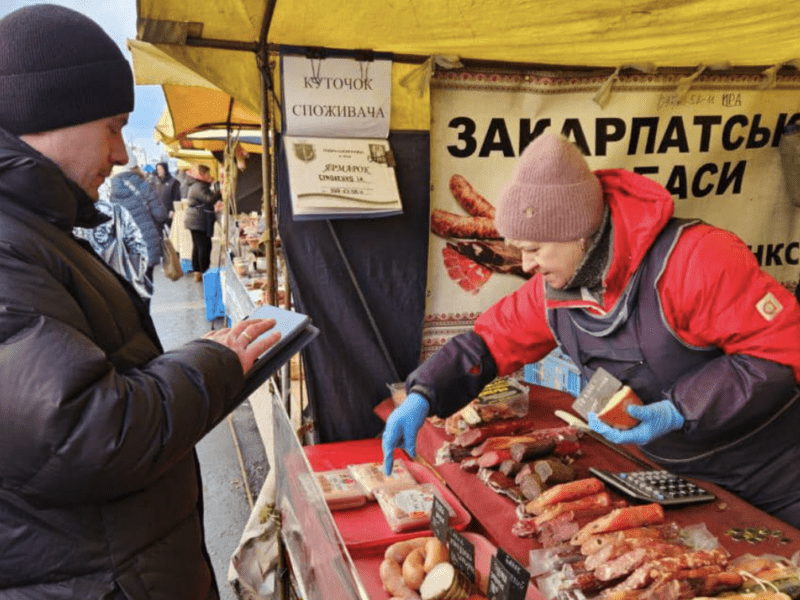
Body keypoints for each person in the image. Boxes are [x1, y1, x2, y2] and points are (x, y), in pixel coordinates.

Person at [0, 5, 281, 598]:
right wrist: (216, 360)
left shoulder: (32, 230)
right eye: (112, 125)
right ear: (53, 116)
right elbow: (85, 432)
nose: (123, 153)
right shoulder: (11, 245)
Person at [382, 132, 800, 528]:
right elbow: (492, 340)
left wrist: (680, 409)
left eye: (534, 250)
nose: (526, 266)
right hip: (677, 479)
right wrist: (425, 393)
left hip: (775, 474)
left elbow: (782, 350)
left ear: (577, 232)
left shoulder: (696, 259)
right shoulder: (553, 289)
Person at [73, 199, 153, 301]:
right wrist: (135, 276)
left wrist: (135, 275)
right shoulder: (118, 211)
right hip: (120, 289)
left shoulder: (73, 217)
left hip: (95, 292)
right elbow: (137, 245)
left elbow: (137, 246)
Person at [109, 155, 169, 286]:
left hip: (123, 249)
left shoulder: (108, 187)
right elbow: (160, 215)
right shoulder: (143, 184)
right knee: (146, 287)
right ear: (135, 166)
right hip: (146, 244)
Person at [183, 164, 222, 282]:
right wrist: (219, 192)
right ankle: (205, 272)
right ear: (201, 174)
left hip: (196, 219)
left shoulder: (197, 185)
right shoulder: (198, 186)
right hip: (198, 220)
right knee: (204, 246)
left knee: (198, 245)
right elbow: (209, 199)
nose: (209, 176)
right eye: (207, 173)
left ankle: (198, 272)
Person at [152, 161, 182, 228]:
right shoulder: (155, 183)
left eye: (160, 169)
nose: (158, 171)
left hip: (169, 214)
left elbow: (177, 198)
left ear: (165, 169)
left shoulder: (173, 182)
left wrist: (174, 210)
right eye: (157, 169)